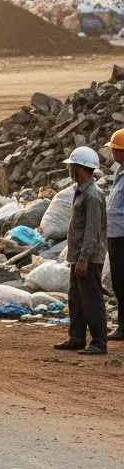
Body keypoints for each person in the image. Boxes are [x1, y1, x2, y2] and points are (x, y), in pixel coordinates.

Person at [55, 146, 108, 355]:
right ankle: (76, 338)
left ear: (79, 168)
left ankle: (99, 342)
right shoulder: (81, 191)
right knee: (76, 299)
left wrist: (84, 259)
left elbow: (93, 231)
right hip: (78, 256)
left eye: (72, 167)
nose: (70, 171)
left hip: (89, 258)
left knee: (91, 300)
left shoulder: (93, 196)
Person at [105, 130, 124, 342]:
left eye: (114, 149)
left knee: (122, 282)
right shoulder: (119, 172)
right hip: (115, 235)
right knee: (119, 282)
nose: (111, 152)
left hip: (122, 236)